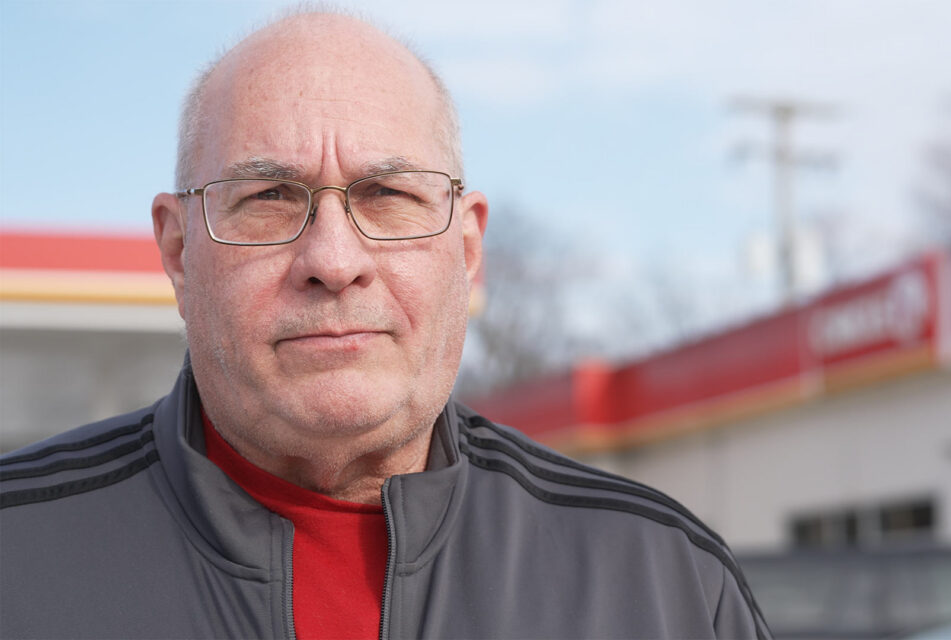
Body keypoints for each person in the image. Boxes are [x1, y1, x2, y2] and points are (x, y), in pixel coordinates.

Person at [0, 11, 770, 639]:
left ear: (466, 249)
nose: (334, 261)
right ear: (178, 251)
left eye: (388, 196)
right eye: (268, 198)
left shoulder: (665, 585)